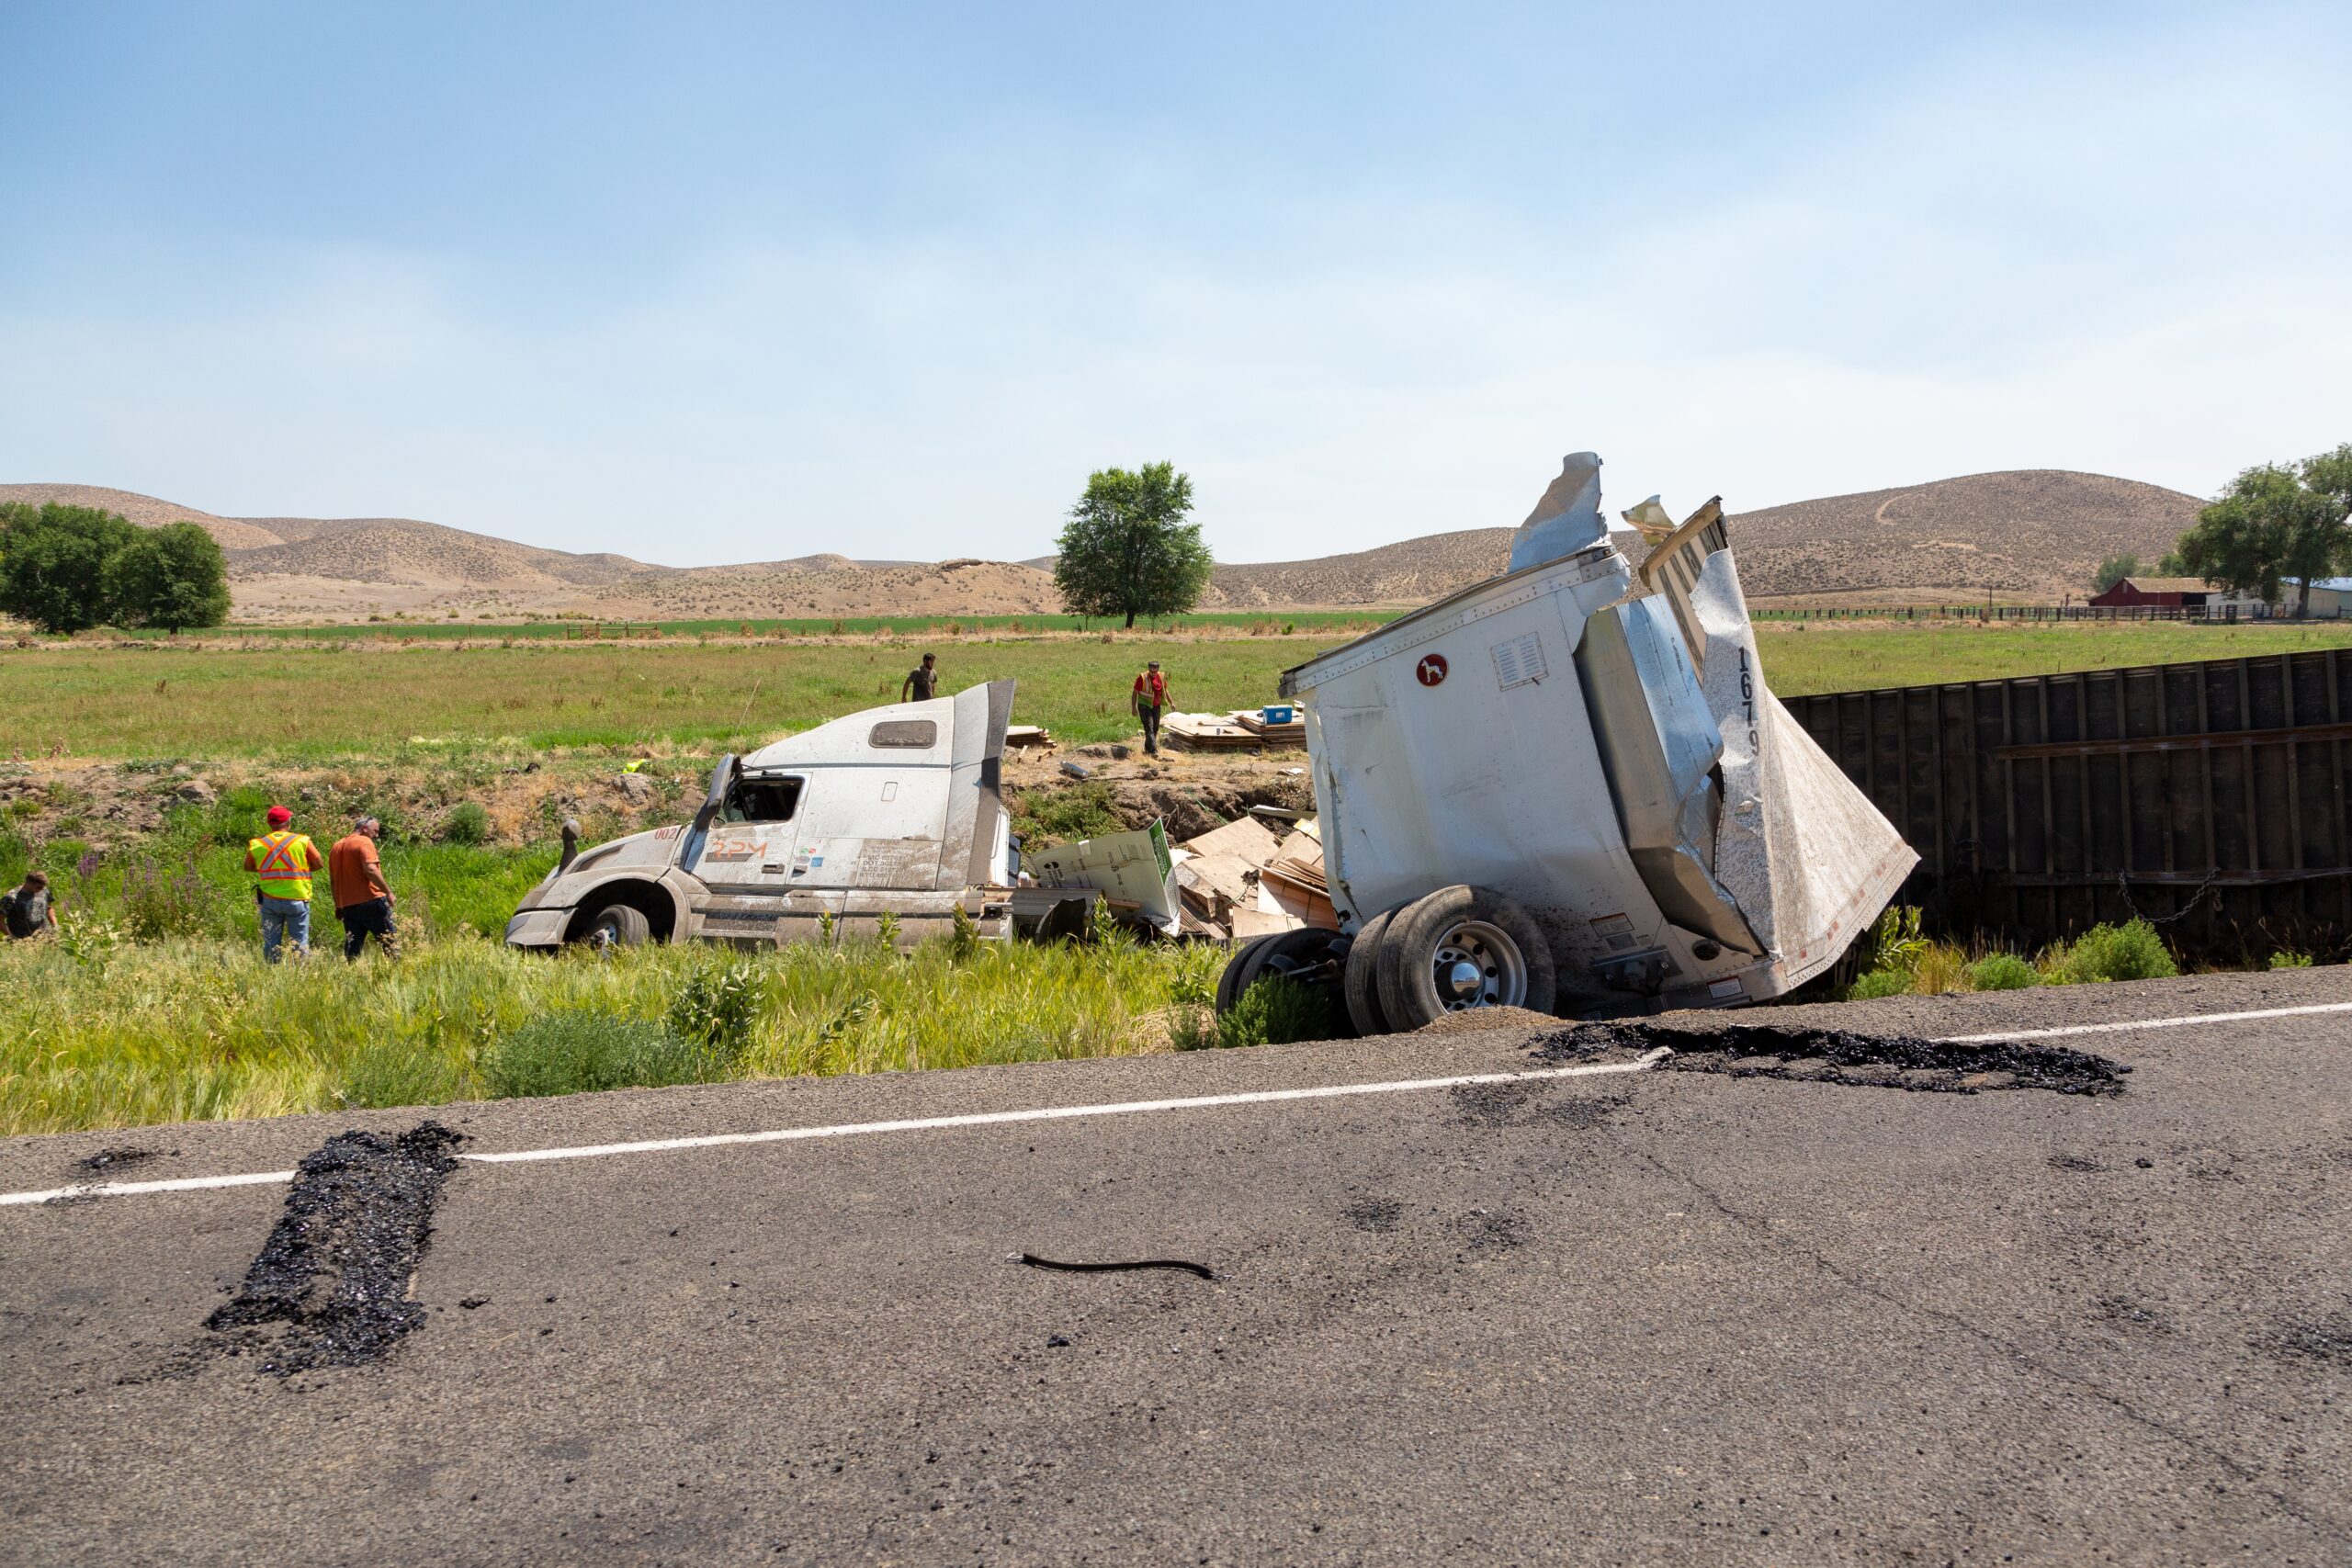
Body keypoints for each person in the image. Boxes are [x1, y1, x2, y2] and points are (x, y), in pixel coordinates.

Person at [243, 805, 323, 963]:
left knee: (271, 942)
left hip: (270, 900)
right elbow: (319, 863)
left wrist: (269, 869)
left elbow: (248, 866)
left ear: (269, 823)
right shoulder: (302, 841)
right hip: (296, 898)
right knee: (299, 942)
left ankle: (272, 971)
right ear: (288, 822)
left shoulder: (258, 844)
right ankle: (299, 972)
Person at [329, 816, 399, 962]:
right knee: (390, 943)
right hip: (371, 900)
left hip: (348, 906)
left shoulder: (336, 847)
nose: (377, 835)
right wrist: (388, 892)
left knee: (352, 950)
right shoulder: (364, 842)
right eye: (375, 831)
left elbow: (334, 881)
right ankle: (397, 970)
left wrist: (338, 905)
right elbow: (371, 870)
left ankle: (352, 973)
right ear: (365, 829)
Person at [0, 871, 55, 941]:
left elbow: (49, 907)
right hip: (24, 940)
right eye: (39, 887)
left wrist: (54, 924)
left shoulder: (44, 890)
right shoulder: (11, 898)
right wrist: (12, 938)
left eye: (43, 887)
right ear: (28, 882)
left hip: (47, 937)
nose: (42, 889)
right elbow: (0, 920)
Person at [1132, 659, 1170, 757]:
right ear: (1149, 669)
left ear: (1158, 670)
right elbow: (1135, 693)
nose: (1153, 674)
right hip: (1144, 706)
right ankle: (1153, 751)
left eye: (1155, 672)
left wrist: (1171, 702)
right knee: (1149, 727)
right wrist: (1133, 707)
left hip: (1156, 706)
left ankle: (1148, 749)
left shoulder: (1161, 676)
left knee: (1155, 728)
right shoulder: (1142, 678)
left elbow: (1165, 690)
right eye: (1151, 672)